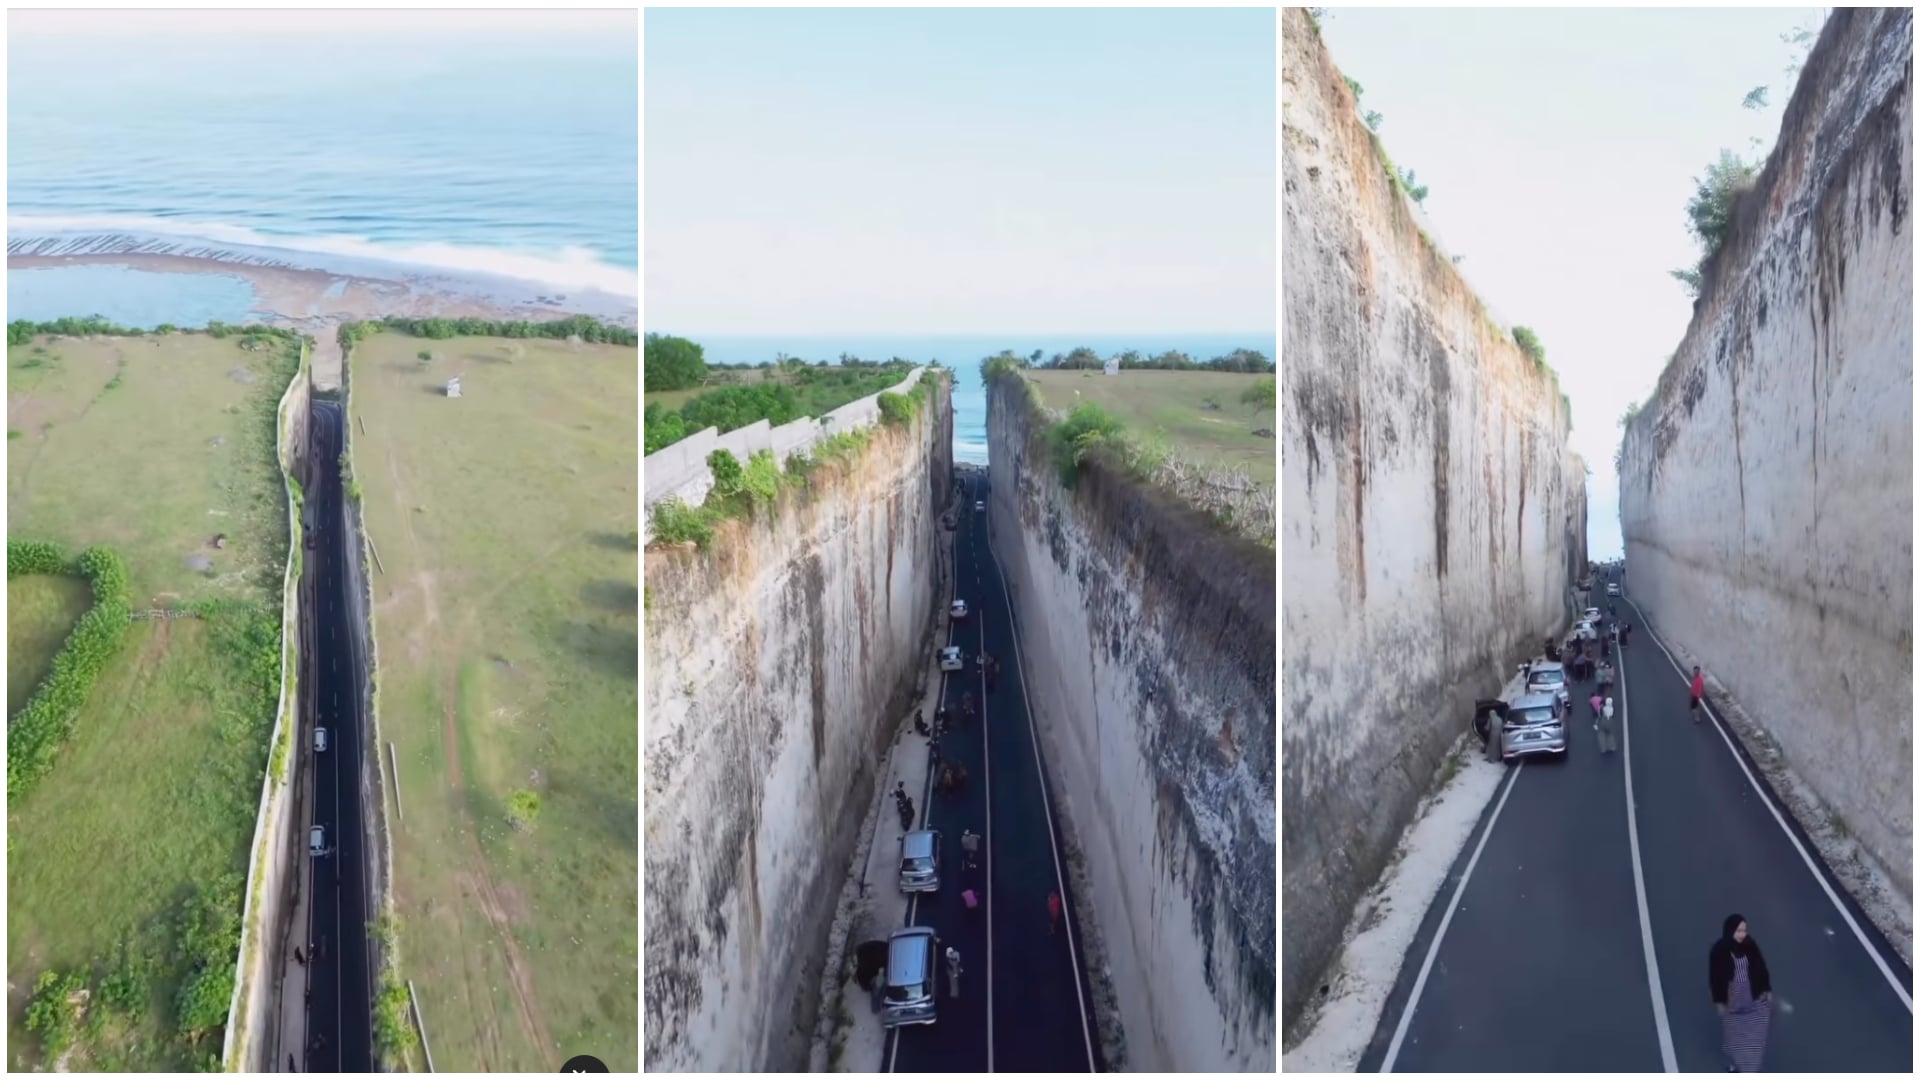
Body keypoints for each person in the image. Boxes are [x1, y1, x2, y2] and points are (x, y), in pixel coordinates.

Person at [1709, 914, 1773, 1072]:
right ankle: (1735, 1065)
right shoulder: (1719, 950)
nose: (1742, 934)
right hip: (1732, 995)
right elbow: (1715, 977)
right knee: (1733, 1032)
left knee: (1754, 1032)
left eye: (1744, 930)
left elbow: (1760, 967)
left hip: (1752, 993)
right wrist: (1718, 1001)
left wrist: (1766, 989)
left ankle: (1749, 1067)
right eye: (1738, 931)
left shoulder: (1750, 945)